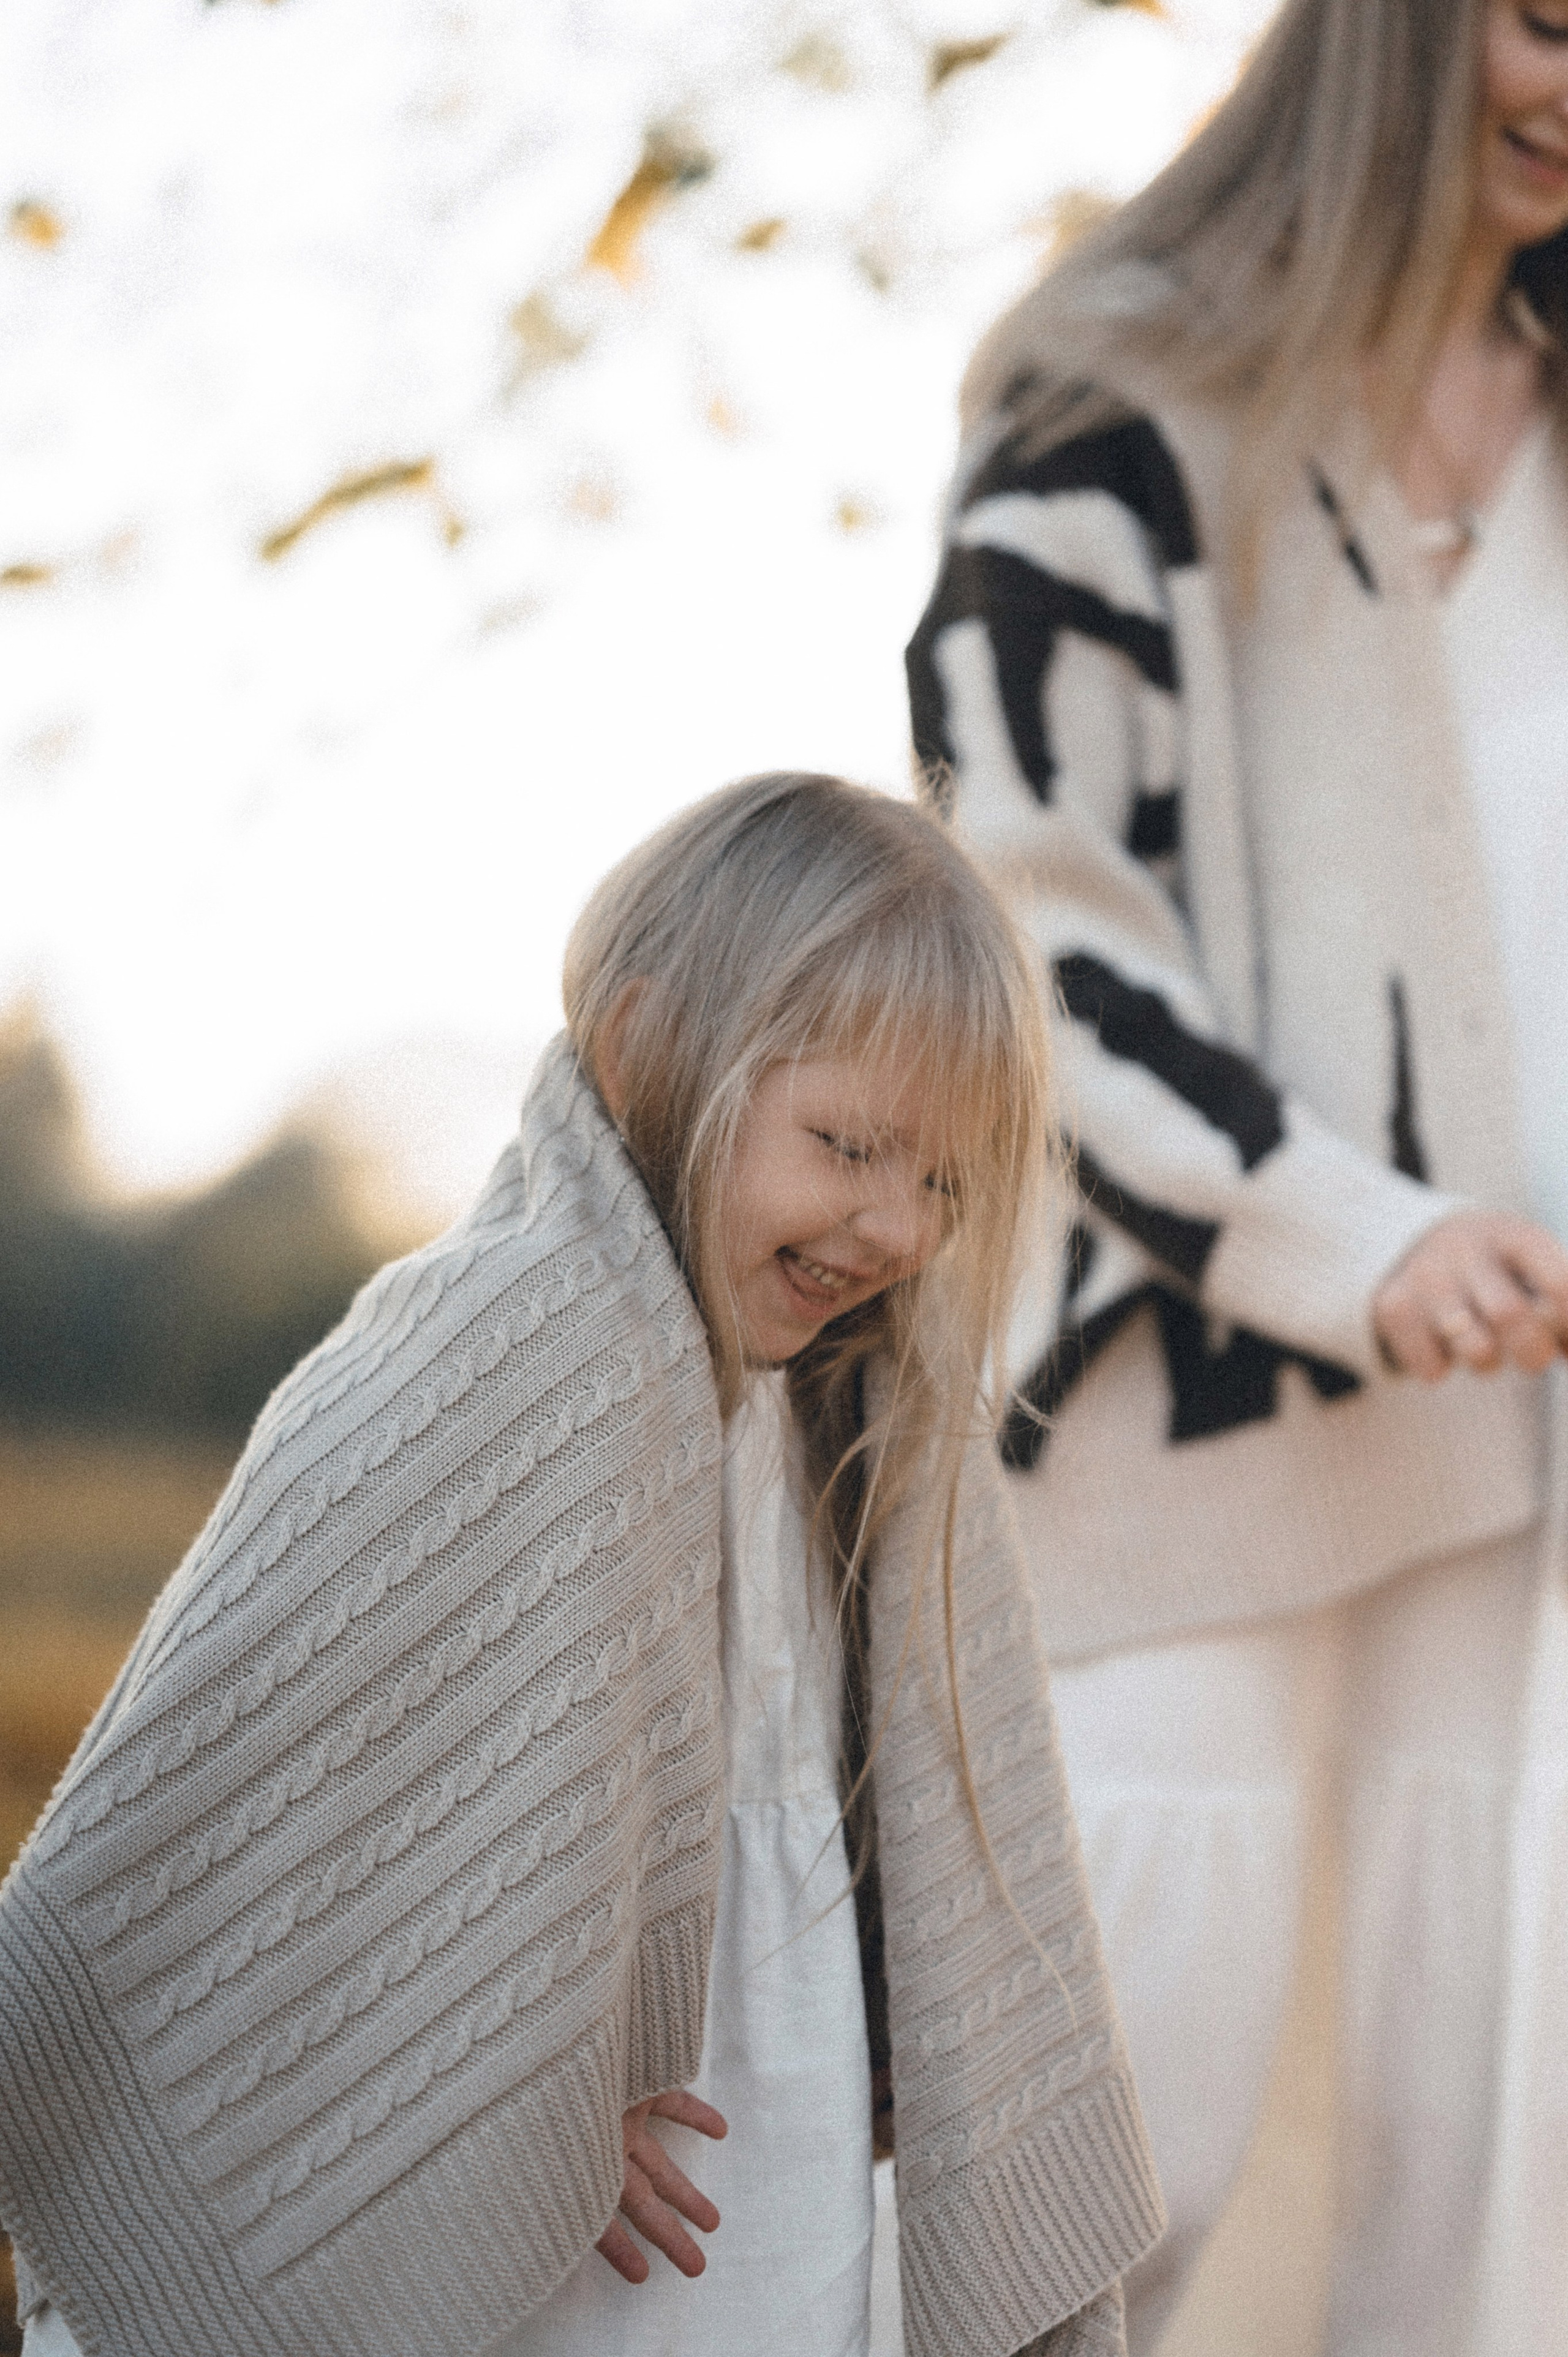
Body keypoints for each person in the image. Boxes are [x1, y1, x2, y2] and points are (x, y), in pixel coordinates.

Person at [0, 773, 1164, 2357]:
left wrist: (910, 1988)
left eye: (947, 1180)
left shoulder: (871, 1407)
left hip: (783, 2097)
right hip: (578, 2184)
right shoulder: (511, 1348)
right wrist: (490, 2073)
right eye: (849, 1145)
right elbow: (209, 1839)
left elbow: (903, 1771)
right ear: (643, 1056)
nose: (897, 1226)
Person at [907, 2, 1568, 2348]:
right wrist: (1362, 1247)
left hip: (1531, 1486)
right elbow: (1027, 931)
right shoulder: (1118, 401)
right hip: (1195, 1421)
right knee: (1112, 2178)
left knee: (1460, 2195)